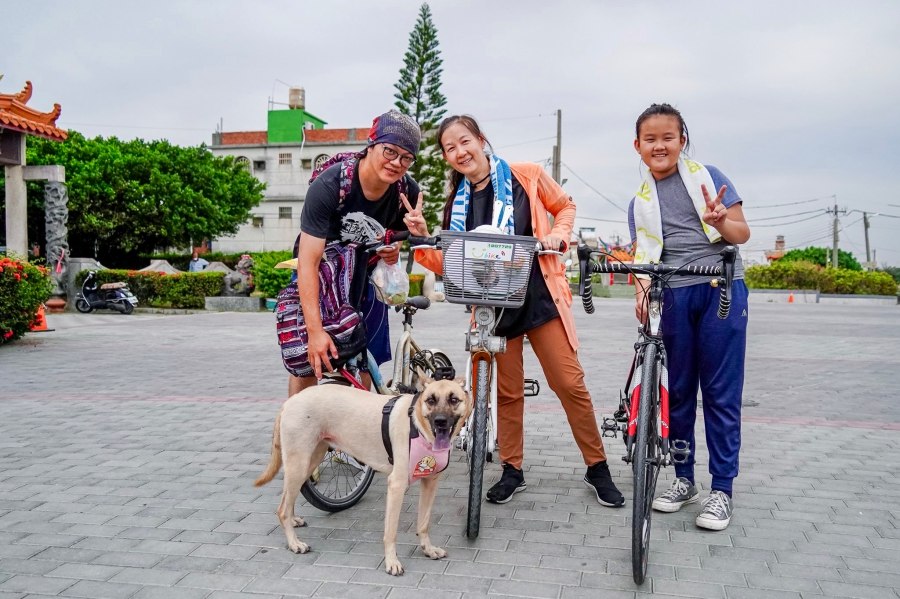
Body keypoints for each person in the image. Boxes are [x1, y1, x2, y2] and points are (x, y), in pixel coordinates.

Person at [403, 115, 624, 507]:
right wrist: (420, 237)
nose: (460, 151)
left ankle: (597, 467)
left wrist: (558, 234)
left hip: (539, 297)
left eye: (465, 141)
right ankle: (512, 469)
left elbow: (565, 206)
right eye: (450, 148)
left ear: (481, 140)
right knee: (505, 394)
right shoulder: (457, 202)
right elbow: (449, 261)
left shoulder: (527, 176)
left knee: (569, 384)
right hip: (491, 307)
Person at [628, 103, 750, 531]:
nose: (659, 145)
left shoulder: (709, 180)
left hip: (721, 290)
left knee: (720, 393)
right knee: (677, 392)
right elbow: (644, 260)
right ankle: (684, 480)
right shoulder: (638, 203)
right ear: (638, 146)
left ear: (682, 141)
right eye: (650, 139)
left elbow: (741, 233)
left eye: (668, 137)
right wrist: (643, 292)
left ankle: (722, 490)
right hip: (673, 297)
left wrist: (720, 219)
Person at [288, 110, 422, 396]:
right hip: (321, 275)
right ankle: (296, 437)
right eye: (389, 151)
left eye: (406, 157)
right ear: (371, 144)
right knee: (308, 361)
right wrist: (314, 332)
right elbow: (308, 263)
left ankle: (355, 435)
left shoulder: (406, 192)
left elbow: (394, 242)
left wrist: (400, 244)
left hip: (365, 277)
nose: (397, 163)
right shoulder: (330, 185)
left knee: (365, 358)